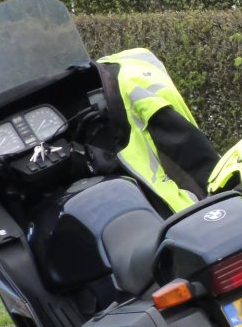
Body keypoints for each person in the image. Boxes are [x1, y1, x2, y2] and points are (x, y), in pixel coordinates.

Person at [95, 48, 221, 214]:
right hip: (198, 191)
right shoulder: (135, 68)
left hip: (183, 208)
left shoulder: (121, 83)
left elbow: (182, 149)